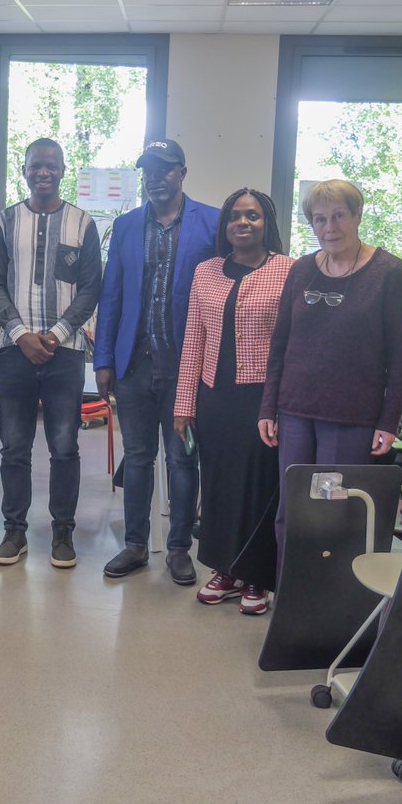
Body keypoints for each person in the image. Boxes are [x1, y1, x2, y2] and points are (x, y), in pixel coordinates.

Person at [259, 178, 402, 561]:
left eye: (339, 216)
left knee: (335, 515)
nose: (329, 228)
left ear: (357, 216)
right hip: (295, 412)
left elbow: (401, 355)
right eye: (319, 219)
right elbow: (279, 345)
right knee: (292, 512)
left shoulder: (388, 272)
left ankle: (331, 611)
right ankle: (291, 604)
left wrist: (388, 420)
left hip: (351, 418)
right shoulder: (300, 271)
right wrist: (268, 408)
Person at [93, 139, 219, 587]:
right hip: (134, 365)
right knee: (139, 456)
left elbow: (222, 295)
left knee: (183, 461)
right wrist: (103, 358)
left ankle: (180, 548)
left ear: (182, 172)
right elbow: (111, 297)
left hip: (187, 367)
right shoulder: (126, 226)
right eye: (148, 169)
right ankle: (134, 545)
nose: (155, 177)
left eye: (164, 169)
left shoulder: (213, 223)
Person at [174, 189, 293, 614]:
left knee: (259, 485)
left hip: (262, 398)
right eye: (235, 216)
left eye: (253, 216)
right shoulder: (206, 272)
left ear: (268, 223)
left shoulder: (288, 271)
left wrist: (281, 404)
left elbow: (292, 344)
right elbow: (194, 340)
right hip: (215, 396)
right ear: (225, 226)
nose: (243, 223)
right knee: (220, 483)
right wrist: (184, 404)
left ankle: (256, 576)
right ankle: (225, 569)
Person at [0, 138, 101, 569]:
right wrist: (20, 334)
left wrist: (54, 334)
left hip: (65, 354)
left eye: (52, 165)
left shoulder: (83, 224)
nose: (44, 172)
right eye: (36, 166)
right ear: (25, 170)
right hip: (14, 353)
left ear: (64, 169)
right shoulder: (3, 222)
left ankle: (62, 532)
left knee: (64, 446)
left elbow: (91, 289)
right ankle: (14, 531)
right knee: (13, 446)